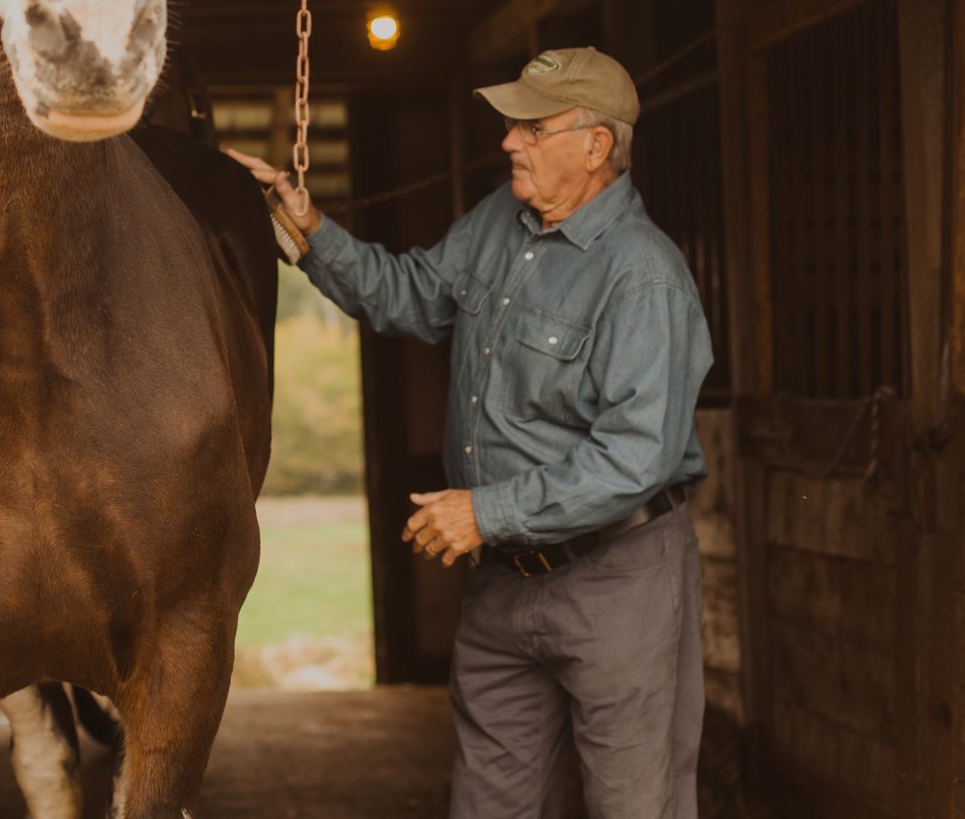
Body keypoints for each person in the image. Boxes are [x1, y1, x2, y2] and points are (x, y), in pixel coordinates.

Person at [227, 46, 712, 819]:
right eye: (513, 125)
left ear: (595, 147)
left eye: (532, 127)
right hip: (502, 586)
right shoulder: (501, 220)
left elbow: (635, 457)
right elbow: (411, 296)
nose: (508, 142)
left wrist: (484, 512)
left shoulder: (644, 277)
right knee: (489, 806)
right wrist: (308, 225)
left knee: (636, 804)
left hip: (616, 581)